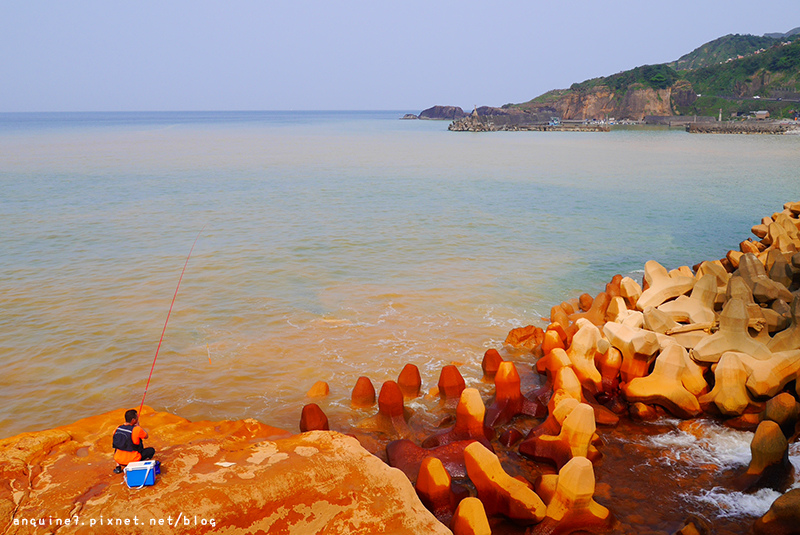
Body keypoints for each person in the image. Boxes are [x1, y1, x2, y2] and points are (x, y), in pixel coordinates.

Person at [112, 409, 155, 474]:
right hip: (132, 460)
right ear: (133, 420)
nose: (138, 417)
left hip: (118, 459)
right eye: (136, 417)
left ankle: (118, 466)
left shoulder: (118, 428)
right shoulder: (137, 429)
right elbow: (146, 436)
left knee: (119, 445)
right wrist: (138, 426)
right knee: (151, 450)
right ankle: (140, 464)